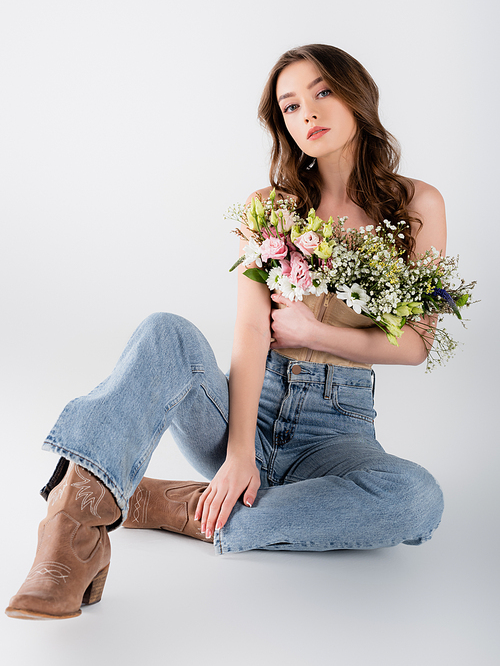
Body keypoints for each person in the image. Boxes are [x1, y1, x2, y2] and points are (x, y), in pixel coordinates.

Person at [6, 44, 445, 620]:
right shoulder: (270, 205)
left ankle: (162, 504)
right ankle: (71, 527)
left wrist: (316, 330)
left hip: (336, 434)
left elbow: (416, 344)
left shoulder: (416, 205)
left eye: (321, 92)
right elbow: (247, 331)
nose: (306, 113)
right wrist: (239, 453)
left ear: (356, 94)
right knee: (166, 332)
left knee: (416, 499)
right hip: (246, 410)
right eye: (289, 106)